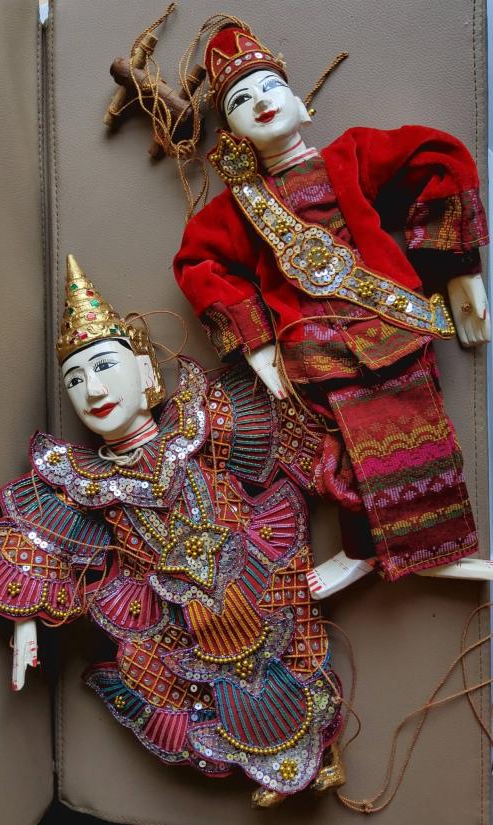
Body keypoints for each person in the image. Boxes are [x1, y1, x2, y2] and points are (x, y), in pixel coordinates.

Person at [0, 254, 346, 808]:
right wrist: (24, 624)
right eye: (75, 380)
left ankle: (320, 754)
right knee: (191, 685)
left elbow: (286, 436)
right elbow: (39, 541)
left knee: (287, 648)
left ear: (146, 374)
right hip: (168, 612)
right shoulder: (81, 479)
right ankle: (263, 768)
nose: (93, 390)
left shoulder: (201, 420)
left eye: (104, 367)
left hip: (251, 569)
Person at [173, 21, 490, 594]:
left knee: (419, 428)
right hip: (313, 346)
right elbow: (200, 262)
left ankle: (434, 548)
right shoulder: (241, 208)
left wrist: (458, 267)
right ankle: (362, 550)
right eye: (240, 100)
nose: (260, 102)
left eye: (270, 87)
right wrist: (256, 343)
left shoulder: (351, 156)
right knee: (342, 449)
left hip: (386, 324)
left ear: (299, 102)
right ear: (233, 134)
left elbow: (438, 156)